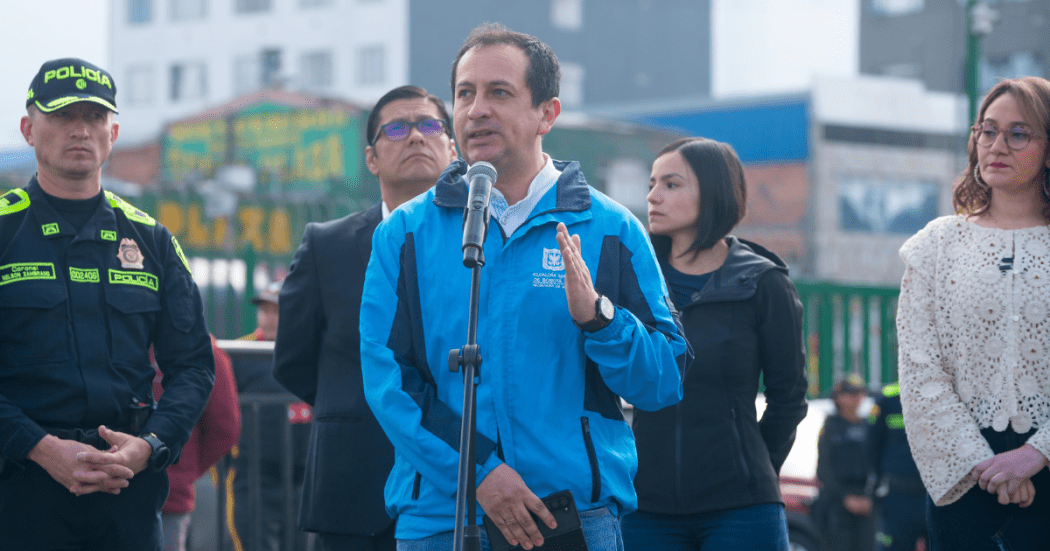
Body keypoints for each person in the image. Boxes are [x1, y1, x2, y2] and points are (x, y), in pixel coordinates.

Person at [359, 23, 689, 551]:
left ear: (547, 114)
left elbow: (663, 379)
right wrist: (479, 471)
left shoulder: (611, 229)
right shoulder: (404, 234)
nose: (476, 110)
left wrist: (600, 319)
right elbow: (387, 376)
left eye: (499, 93)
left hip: (571, 518)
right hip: (441, 516)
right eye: (465, 94)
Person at [0, 58, 214, 550]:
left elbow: (194, 366)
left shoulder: (152, 240)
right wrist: (40, 448)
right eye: (63, 116)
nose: (80, 130)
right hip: (19, 486)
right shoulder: (6, 231)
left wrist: (150, 445)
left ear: (113, 134)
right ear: (28, 130)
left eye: (94, 117)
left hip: (126, 489)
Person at [273, 84, 457, 551]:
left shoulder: (482, 241)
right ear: (372, 159)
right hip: (354, 482)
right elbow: (293, 359)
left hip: (458, 482)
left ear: (452, 149)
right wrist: (359, 403)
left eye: (429, 125)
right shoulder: (327, 245)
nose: (415, 136)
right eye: (396, 129)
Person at [622, 137, 808, 551]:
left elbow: (789, 399)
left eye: (671, 184)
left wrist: (751, 469)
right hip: (644, 507)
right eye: (652, 184)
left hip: (740, 508)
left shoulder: (764, 284)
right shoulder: (635, 279)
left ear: (713, 192)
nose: (653, 196)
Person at [896, 76, 1050, 551]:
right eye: (987, 130)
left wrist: (1036, 453)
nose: (997, 145)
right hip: (964, 474)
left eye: (1018, 133)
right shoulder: (936, 246)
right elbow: (920, 369)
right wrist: (984, 465)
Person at [227, 280, 312, 551]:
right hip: (254, 475)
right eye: (264, 310)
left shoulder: (308, 352)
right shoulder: (240, 352)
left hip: (302, 476)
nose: (269, 317)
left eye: (277, 310)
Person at [153, 336, 241, 551]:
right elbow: (225, 427)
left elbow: (224, 429)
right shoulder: (201, 346)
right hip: (167, 493)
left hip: (106, 488)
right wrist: (182, 470)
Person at [815, 377, 874, 551]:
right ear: (837, 398)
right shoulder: (831, 427)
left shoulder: (869, 426)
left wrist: (871, 499)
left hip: (866, 502)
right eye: (850, 394)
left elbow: (877, 465)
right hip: (837, 503)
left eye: (858, 393)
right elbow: (824, 469)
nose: (855, 398)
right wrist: (845, 498)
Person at [865, 382, 926, 551]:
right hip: (899, 494)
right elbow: (873, 444)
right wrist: (877, 480)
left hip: (935, 495)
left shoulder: (943, 394)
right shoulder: (887, 399)